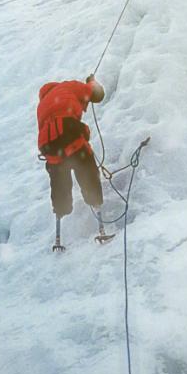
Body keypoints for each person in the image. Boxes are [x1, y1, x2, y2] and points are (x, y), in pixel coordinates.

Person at [36, 74, 113, 251]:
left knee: (59, 181)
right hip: (69, 130)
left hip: (48, 145)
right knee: (87, 170)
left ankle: (58, 236)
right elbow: (98, 95)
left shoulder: (42, 105)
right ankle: (100, 223)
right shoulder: (69, 86)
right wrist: (91, 81)